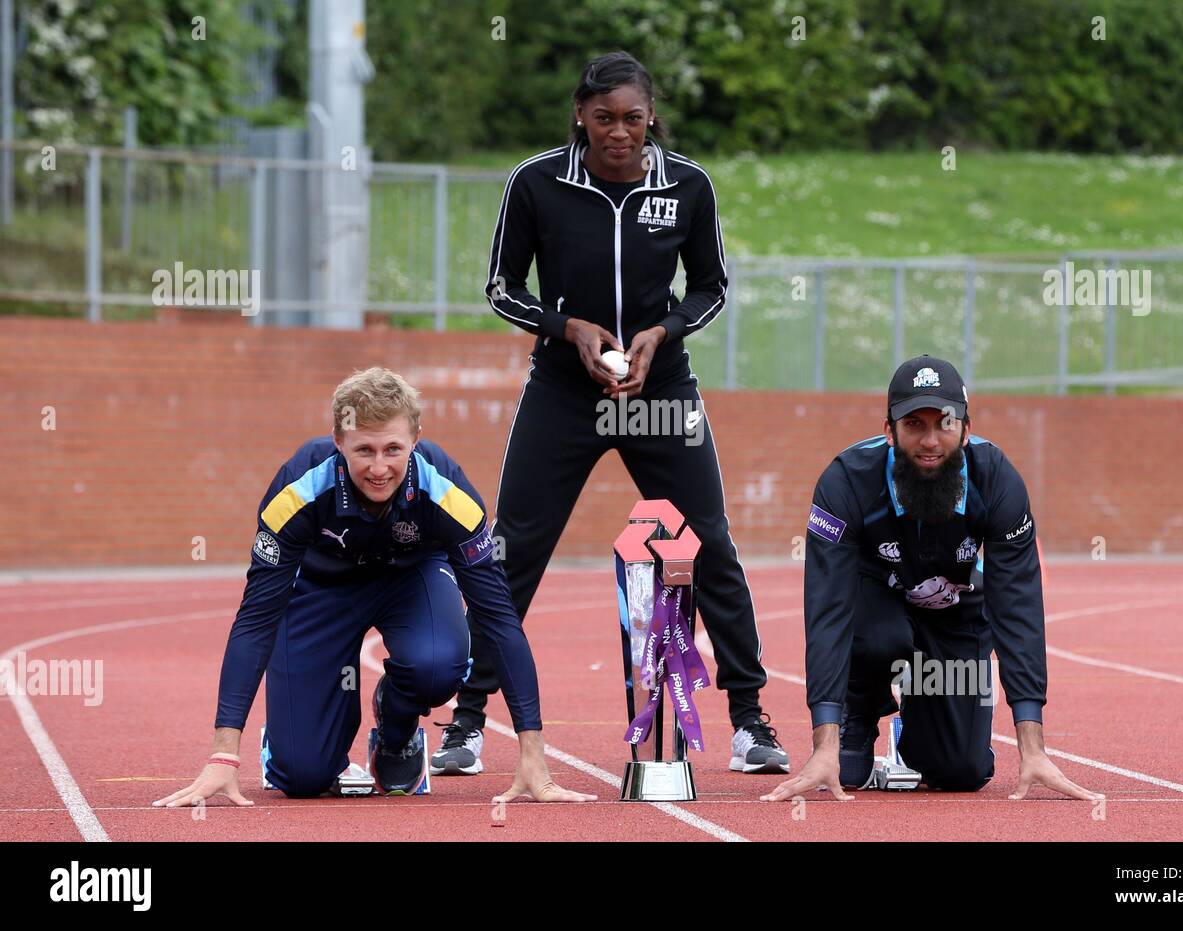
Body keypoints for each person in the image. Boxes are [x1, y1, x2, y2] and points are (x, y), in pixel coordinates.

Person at [443, 49, 788, 776]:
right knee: (514, 548)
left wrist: (662, 335)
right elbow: (502, 288)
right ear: (580, 115)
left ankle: (751, 718)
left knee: (711, 543)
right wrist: (567, 329)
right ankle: (467, 721)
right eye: (603, 118)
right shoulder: (536, 182)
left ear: (651, 116)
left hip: (658, 393)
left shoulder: (688, 185)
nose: (619, 133)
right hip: (565, 394)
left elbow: (712, 287)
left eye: (633, 118)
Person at [154, 368, 593, 808]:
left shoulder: (448, 493)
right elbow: (255, 620)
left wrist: (532, 754)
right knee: (305, 778)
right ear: (338, 440)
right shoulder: (297, 489)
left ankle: (395, 732)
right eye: (364, 450)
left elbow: (498, 617)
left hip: (411, 581)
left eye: (393, 450)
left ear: (416, 439)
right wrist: (224, 754)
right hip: (321, 590)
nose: (379, 468)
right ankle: (295, 737)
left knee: (438, 665)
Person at [763, 355, 1102, 802]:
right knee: (879, 649)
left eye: (944, 423)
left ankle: (917, 728)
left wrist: (1032, 746)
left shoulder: (998, 481)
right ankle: (859, 709)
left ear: (965, 427)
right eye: (913, 425)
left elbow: (1017, 607)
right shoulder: (845, 481)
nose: (929, 441)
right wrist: (821, 743)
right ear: (890, 430)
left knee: (961, 772)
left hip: (954, 609)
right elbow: (827, 606)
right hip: (877, 604)